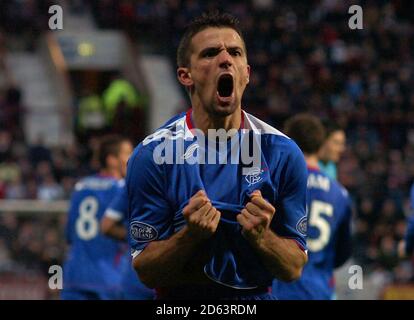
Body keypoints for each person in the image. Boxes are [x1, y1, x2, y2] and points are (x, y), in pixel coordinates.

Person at [126, 11, 308, 300]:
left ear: (246, 73)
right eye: (210, 53)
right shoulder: (153, 156)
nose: (225, 59)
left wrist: (262, 237)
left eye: (235, 53)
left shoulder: (282, 153)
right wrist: (190, 236)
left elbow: (293, 267)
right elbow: (146, 271)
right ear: (186, 75)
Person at [273, 114, 352, 299]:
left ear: (290, 143)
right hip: (319, 289)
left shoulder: (279, 184)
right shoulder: (340, 193)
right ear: (320, 144)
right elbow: (344, 252)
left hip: (282, 289)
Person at [61, 135, 133, 300]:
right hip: (108, 278)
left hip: (74, 276)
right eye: (128, 153)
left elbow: (69, 234)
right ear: (112, 160)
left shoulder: (80, 187)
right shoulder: (122, 190)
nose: (132, 158)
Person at [101, 185, 155, 300]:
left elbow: (107, 226)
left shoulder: (133, 184)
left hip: (137, 276)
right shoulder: (183, 181)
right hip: (171, 272)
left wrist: (137, 238)